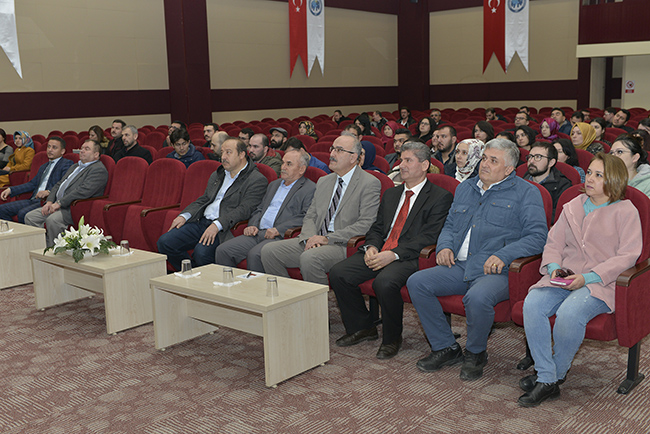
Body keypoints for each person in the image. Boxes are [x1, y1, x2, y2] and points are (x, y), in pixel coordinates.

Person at [407, 138, 547, 381]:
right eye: (484, 158)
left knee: (478, 297)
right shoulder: (466, 188)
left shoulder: (527, 193)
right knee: (417, 282)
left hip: (496, 270)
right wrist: (445, 246)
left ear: (509, 169)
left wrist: (503, 255)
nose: (485, 164)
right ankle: (445, 347)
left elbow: (537, 237)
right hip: (459, 264)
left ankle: (475, 353)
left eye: (493, 160)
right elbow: (450, 224)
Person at [518, 153, 642, 407]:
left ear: (614, 180)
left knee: (570, 313)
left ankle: (551, 376)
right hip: (565, 275)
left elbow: (628, 256)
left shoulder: (626, 211)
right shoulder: (573, 205)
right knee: (532, 304)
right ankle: (547, 376)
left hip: (600, 281)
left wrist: (587, 278)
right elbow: (554, 243)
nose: (590, 179)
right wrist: (554, 267)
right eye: (590, 173)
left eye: (599, 175)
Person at [329, 141, 454, 359]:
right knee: (339, 273)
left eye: (408, 160)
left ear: (424, 165)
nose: (401, 165)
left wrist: (393, 254)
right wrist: (372, 246)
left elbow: (429, 237)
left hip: (410, 256)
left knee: (384, 282)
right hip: (381, 249)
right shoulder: (392, 194)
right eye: (400, 160)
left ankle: (392, 338)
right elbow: (377, 228)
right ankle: (362, 327)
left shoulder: (440, 197)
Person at [260, 135, 381, 285]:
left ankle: (320, 299)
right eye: (332, 149)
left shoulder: (369, 183)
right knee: (268, 251)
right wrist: (310, 237)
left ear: (353, 157)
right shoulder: (324, 181)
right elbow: (311, 215)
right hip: (314, 238)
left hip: (343, 243)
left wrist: (327, 239)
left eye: (339, 150)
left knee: (310, 258)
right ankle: (289, 294)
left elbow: (366, 224)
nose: (332, 154)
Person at [157, 138, 267, 271]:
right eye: (222, 152)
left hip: (224, 228)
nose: (223, 157)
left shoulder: (256, 179)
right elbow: (205, 199)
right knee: (165, 242)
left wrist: (217, 224)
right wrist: (184, 215)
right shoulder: (218, 174)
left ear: (242, 154)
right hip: (201, 221)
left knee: (201, 253)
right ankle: (191, 273)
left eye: (228, 152)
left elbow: (244, 210)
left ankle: (202, 277)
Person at [215, 150, 316, 272]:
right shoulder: (274, 184)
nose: (283, 167)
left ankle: (257, 285)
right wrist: (253, 225)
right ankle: (231, 283)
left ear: (301, 169)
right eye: (283, 163)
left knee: (255, 255)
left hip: (280, 237)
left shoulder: (309, 189)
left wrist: (278, 230)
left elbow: (305, 217)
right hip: (258, 233)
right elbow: (260, 208)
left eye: (289, 164)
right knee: (223, 250)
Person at [24, 140, 109, 247]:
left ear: (96, 154)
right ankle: (42, 247)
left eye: (86, 149)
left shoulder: (98, 170)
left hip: (74, 208)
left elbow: (83, 191)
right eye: (82, 148)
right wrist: (49, 201)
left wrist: (59, 203)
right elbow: (59, 184)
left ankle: (55, 250)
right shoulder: (75, 166)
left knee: (52, 220)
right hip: (57, 204)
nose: (82, 151)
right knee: (30, 217)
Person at [0, 137, 74, 223]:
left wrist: (49, 191)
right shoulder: (44, 166)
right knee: (2, 209)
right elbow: (32, 184)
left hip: (47, 201)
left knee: (22, 213)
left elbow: (64, 184)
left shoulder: (66, 164)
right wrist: (11, 189)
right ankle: (13, 231)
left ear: (62, 151)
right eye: (49, 146)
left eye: (54, 147)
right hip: (34, 199)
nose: (50, 150)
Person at [523, 142, 572, 219]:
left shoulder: (563, 185)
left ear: (551, 162)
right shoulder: (522, 179)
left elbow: (558, 214)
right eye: (530, 156)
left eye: (538, 157)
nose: (531, 161)